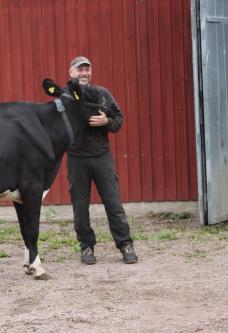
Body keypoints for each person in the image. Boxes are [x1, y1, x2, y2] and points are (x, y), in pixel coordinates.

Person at [67, 56, 138, 265]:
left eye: (87, 70)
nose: (84, 74)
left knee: (113, 202)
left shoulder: (103, 94)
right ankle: (86, 247)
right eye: (79, 70)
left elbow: (119, 120)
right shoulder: (65, 97)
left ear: (91, 72)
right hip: (77, 158)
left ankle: (125, 244)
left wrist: (106, 121)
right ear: (71, 72)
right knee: (80, 205)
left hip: (101, 157)